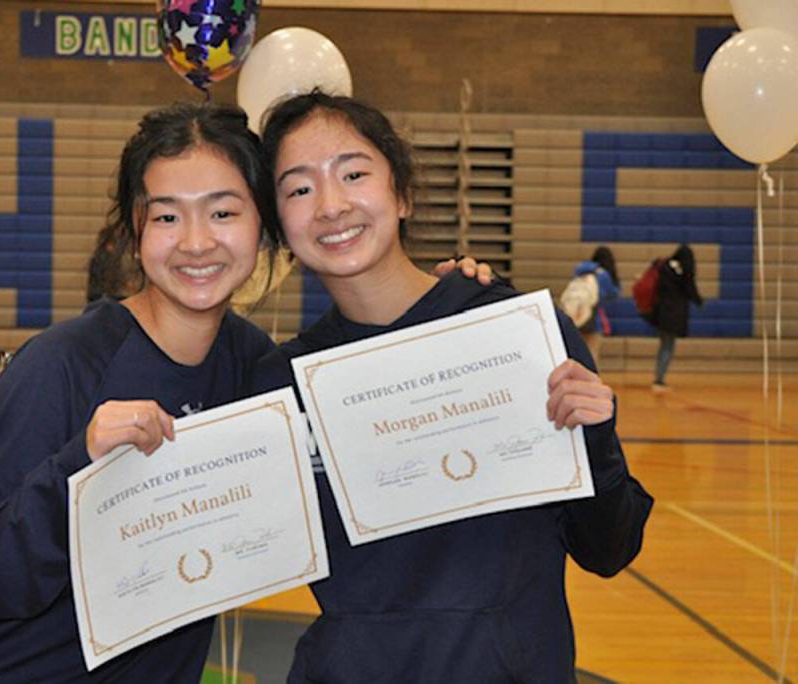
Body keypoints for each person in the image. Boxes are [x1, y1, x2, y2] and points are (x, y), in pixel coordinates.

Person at [249, 91, 653, 683]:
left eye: (354, 174)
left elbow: (609, 550)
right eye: (299, 189)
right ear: (280, 225)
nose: (331, 205)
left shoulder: (516, 336)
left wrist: (596, 441)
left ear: (403, 193)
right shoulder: (279, 384)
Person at [0, 102, 285, 683]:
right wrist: (76, 472)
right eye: (166, 217)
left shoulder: (252, 364)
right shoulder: (60, 365)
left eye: (223, 212)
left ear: (262, 225)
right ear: (134, 231)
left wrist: (452, 299)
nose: (196, 241)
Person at [650, 243, 703, 392]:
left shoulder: (664, 266)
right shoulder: (685, 271)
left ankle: (659, 378)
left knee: (663, 346)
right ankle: (659, 380)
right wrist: (699, 301)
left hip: (660, 314)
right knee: (668, 347)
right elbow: (691, 290)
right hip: (674, 315)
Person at [572, 245, 620, 363]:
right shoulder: (603, 275)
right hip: (595, 318)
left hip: (577, 315)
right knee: (592, 354)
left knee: (577, 354)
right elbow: (612, 293)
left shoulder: (581, 271)